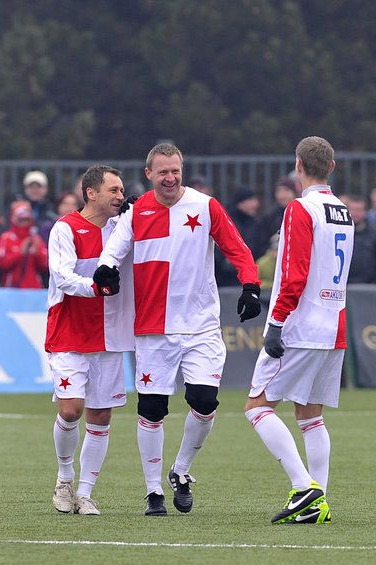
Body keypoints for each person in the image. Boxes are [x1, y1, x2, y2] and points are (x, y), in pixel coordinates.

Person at [93, 142, 261, 517]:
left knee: (204, 400)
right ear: (149, 174)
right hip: (154, 327)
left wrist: (250, 284)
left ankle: (181, 471)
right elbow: (114, 251)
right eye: (162, 172)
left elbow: (237, 248)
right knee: (152, 408)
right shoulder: (136, 213)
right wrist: (105, 270)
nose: (170, 178)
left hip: (200, 326)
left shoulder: (205, 206)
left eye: (175, 171)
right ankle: (153, 491)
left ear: (181, 171)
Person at [245, 136, 351, 525]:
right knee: (310, 416)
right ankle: (317, 501)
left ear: (298, 167)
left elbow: (293, 273)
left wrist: (275, 323)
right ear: (332, 168)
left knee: (257, 408)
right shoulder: (343, 211)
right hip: (334, 324)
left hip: (301, 325)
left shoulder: (300, 209)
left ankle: (303, 487)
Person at [46, 165, 134, 516]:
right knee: (71, 409)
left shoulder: (122, 228)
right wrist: (94, 286)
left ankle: (85, 492)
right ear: (91, 193)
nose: (119, 196)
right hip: (68, 331)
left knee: (100, 416)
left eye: (122, 190)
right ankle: (64, 480)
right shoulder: (65, 229)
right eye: (113, 190)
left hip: (110, 333)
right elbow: (63, 277)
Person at [0, 200, 49, 288]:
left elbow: (45, 266)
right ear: (14, 219)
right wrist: (20, 252)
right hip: (11, 290)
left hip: (34, 291)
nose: (24, 223)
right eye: (21, 220)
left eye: (27, 220)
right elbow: (1, 263)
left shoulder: (36, 239)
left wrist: (37, 253)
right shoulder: (5, 238)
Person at [345, 194, 376, 284]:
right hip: (344, 286)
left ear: (365, 212)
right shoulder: (340, 234)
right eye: (352, 210)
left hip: (370, 289)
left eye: (359, 210)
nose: (355, 213)